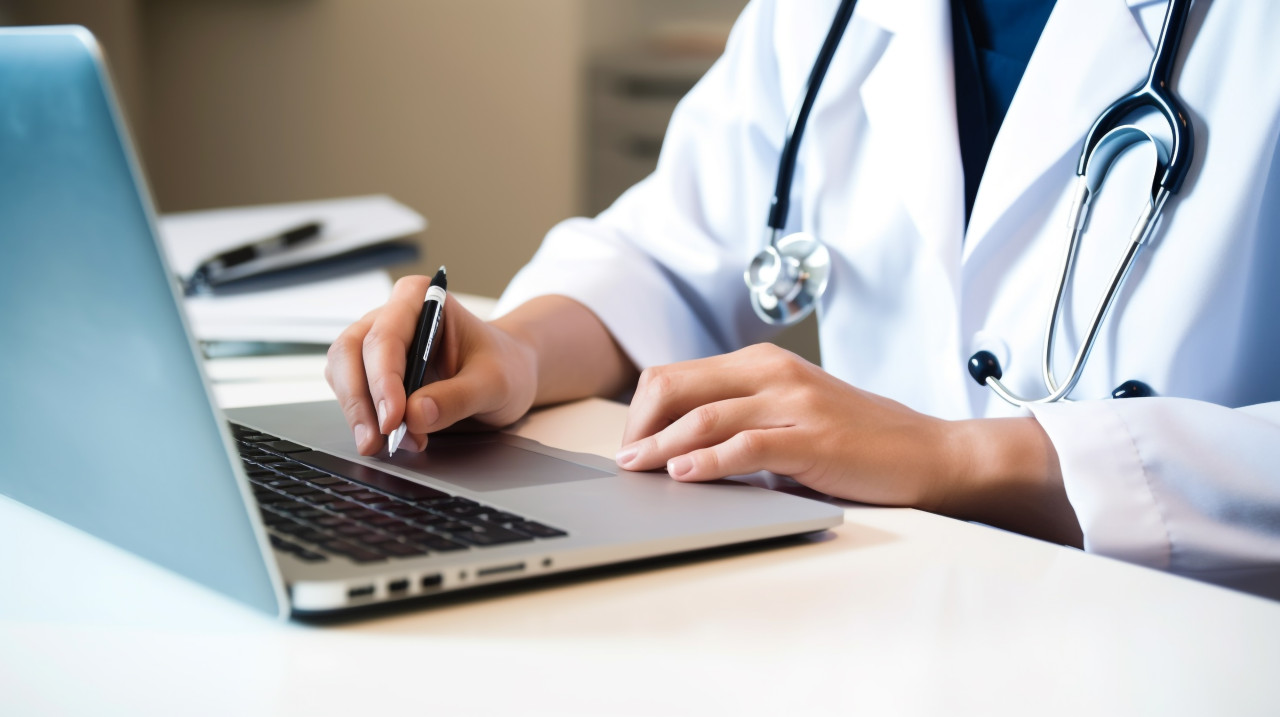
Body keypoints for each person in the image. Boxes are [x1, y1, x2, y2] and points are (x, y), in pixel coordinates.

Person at [327, 0, 1280, 595]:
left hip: (1189, 638)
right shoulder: (829, 13)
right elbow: (668, 251)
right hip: (888, 604)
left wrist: (961, 456)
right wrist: (517, 347)